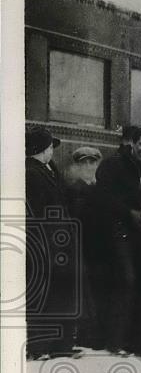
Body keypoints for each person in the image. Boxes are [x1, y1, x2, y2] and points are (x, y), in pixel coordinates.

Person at [94, 126, 141, 355]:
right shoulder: (114, 165)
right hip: (117, 232)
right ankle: (115, 341)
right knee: (126, 281)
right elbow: (103, 196)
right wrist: (128, 213)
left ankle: (139, 342)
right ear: (133, 143)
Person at [24, 126, 75, 358]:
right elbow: (39, 211)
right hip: (46, 243)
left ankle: (56, 346)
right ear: (43, 149)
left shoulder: (45, 169)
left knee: (53, 295)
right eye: (50, 147)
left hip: (55, 242)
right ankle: (40, 347)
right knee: (43, 296)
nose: (52, 151)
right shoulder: (32, 172)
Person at [63, 146, 104, 348]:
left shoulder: (101, 188)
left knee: (98, 290)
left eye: (92, 162)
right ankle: (86, 335)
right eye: (84, 163)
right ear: (78, 166)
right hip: (81, 247)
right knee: (84, 293)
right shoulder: (74, 190)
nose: (88, 167)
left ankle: (95, 333)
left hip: (99, 249)